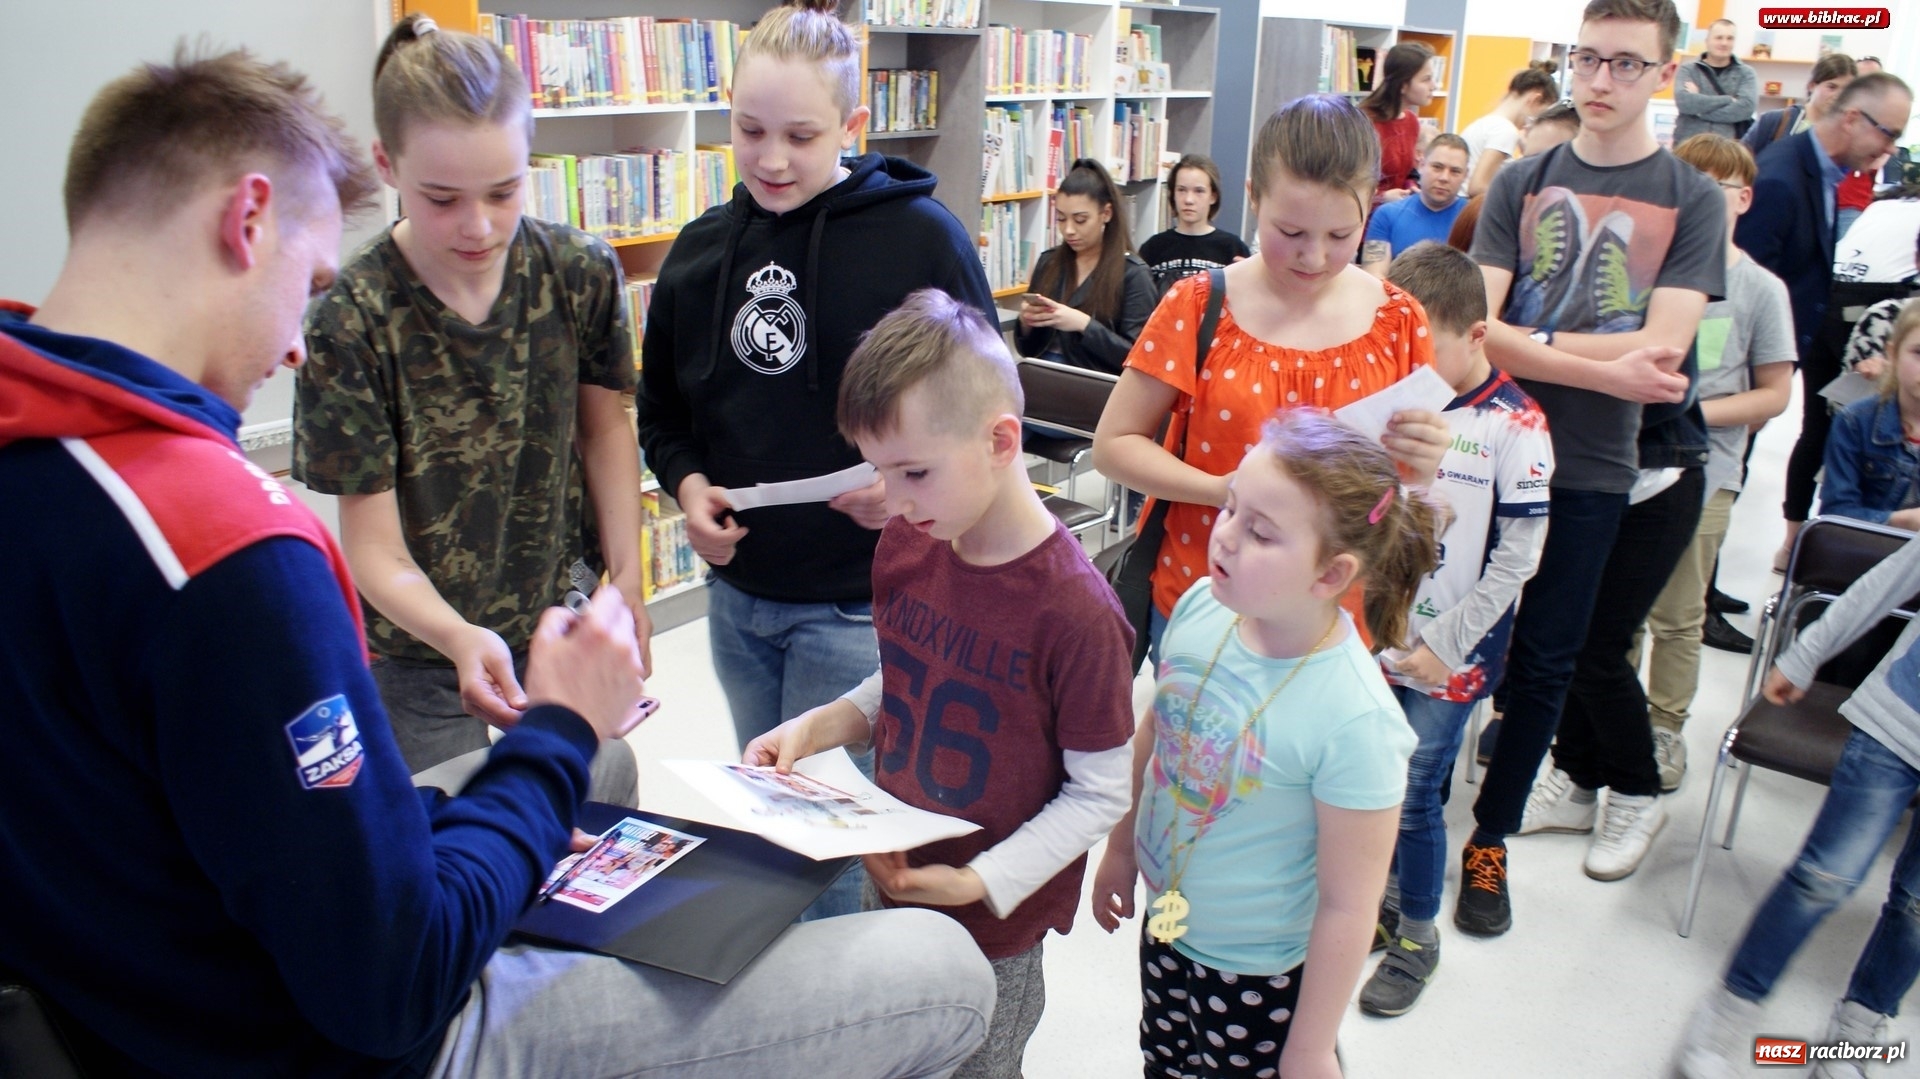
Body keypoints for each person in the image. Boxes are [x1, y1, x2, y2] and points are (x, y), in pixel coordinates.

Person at [0, 44, 995, 1078]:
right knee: (940, 967)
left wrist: (467, 820)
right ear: (247, 221)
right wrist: (554, 733)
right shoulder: (225, 546)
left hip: (167, 983)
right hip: (362, 1033)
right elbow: (395, 980)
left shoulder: (43, 459)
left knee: (601, 781)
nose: (295, 343)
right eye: (308, 278)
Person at [634, 0, 996, 916]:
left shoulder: (920, 239)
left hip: (857, 598)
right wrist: (686, 488)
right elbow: (664, 409)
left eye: (801, 134)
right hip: (739, 598)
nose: (771, 158)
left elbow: (987, 410)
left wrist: (907, 484)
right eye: (749, 130)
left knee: (828, 852)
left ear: (852, 125)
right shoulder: (698, 253)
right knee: (772, 822)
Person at [745, 290, 1135, 1079]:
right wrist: (823, 725)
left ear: (1000, 442)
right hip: (892, 875)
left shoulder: (1076, 611)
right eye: (882, 472)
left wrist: (975, 880)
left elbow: (1101, 790)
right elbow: (910, 669)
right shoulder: (913, 538)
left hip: (990, 927)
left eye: (914, 471)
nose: (893, 500)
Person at [294, 15, 642, 801]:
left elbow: (605, 430)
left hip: (560, 618)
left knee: (595, 828)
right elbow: (373, 549)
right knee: (453, 852)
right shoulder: (351, 317)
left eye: (504, 191)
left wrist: (628, 579)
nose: (478, 226)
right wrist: (456, 635)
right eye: (442, 198)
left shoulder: (579, 271)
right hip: (421, 649)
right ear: (387, 166)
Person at [1459, 0, 1727, 935]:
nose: (1600, 81)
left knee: (1547, 663)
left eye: (1624, 63)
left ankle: (1487, 843)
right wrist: (1592, 362)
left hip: (1594, 471)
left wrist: (1524, 346)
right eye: (1588, 59)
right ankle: (1411, 814)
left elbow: (1665, 350)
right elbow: (1476, 330)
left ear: (1666, 73)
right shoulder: (1522, 181)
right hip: (1490, 450)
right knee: (1451, 639)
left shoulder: (1691, 200)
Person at [1089, 410, 1442, 1077]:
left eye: (1260, 531)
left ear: (1330, 575)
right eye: (1230, 509)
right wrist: (1119, 848)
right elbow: (1158, 736)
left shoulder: (1355, 717)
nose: (1225, 538)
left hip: (1259, 969)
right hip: (1170, 928)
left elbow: (1349, 904)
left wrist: (1309, 1046)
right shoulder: (1200, 606)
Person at [1091, 93, 1449, 663]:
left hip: (1333, 616)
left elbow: (1401, 496)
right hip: (1204, 598)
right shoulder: (1199, 303)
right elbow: (1114, 447)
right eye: (1291, 231)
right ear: (1254, 198)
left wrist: (1425, 465)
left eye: (1339, 236)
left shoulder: (1399, 320)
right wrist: (1220, 488)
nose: (1314, 257)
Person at [1358, 241, 1553, 1018]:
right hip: (1375, 637)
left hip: (1452, 656)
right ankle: (1377, 900)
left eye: (1424, 343)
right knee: (1369, 782)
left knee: (1414, 794)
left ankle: (1416, 933)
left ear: (1476, 337)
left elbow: (1519, 559)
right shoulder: (1398, 400)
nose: (1407, 361)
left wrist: (1446, 644)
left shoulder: (1517, 424)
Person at [1675, 528, 1920, 1079]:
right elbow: (1889, 581)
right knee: (1823, 878)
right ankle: (1728, 1012)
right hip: (1897, 722)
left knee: (1917, 909)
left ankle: (1857, 1034)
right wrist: (1806, 652)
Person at [1638, 134, 1795, 792]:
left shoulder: (1760, 289)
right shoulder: (1649, 275)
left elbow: (1776, 393)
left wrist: (1693, 409)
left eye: (1718, 188)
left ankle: (1664, 730)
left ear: (1743, 198)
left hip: (1709, 470)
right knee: (1616, 614)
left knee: (1677, 614)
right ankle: (1595, 728)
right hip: (1634, 467)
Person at [1748, 72, 1914, 573]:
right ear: (1852, 119)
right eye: (1888, 134)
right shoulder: (1780, 177)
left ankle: (1706, 592)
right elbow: (1741, 289)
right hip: (1748, 373)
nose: (1888, 152)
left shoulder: (1819, 175)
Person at [1016, 158, 1157, 374]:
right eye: (1061, 219)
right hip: (1041, 376)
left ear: (1106, 214)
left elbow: (1138, 359)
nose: (1069, 230)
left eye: (1080, 220)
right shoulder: (1049, 262)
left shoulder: (1134, 274)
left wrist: (1084, 325)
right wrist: (1026, 324)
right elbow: (1027, 350)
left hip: (1094, 387)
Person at [1818, 302, 1920, 527]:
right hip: (1866, 554)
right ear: (1892, 354)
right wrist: (1902, 521)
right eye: (1918, 353)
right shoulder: (1855, 421)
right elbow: (1835, 514)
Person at [1138, 153, 1252, 295]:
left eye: (1199, 191)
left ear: (1213, 196)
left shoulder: (1232, 248)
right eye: (1181, 190)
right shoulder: (1153, 248)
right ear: (1172, 194)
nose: (1189, 199)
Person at [1362, 133, 1470, 275]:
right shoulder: (1387, 215)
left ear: (1465, 175)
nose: (1444, 178)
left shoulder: (1474, 219)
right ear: (1422, 165)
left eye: (1455, 171)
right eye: (1437, 167)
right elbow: (1375, 277)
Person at [1460, 66, 1561, 198]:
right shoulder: (1505, 131)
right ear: (1535, 100)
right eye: (1541, 114)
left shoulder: (1486, 123)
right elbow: (1477, 187)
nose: (1536, 122)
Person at [1361, 42, 1439, 207]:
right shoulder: (1365, 122)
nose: (1434, 86)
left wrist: (1411, 187)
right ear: (1403, 85)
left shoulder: (1411, 121)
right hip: (1365, 218)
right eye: (1426, 80)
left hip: (1395, 214)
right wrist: (1382, 197)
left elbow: (1408, 173)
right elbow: (1348, 183)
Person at [1743, 52, 1856, 157]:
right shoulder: (1773, 121)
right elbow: (1738, 162)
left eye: (1846, 90)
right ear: (1811, 85)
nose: (1839, 96)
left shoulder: (1847, 136)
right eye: (1832, 87)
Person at [1673, 19, 1758, 143]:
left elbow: (1745, 108)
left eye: (1730, 38)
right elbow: (1684, 102)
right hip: (1688, 146)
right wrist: (1728, 99)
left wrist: (1699, 110)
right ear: (1707, 41)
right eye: (1719, 37)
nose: (1724, 43)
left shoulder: (1746, 73)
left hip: (1727, 151)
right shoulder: (1688, 69)